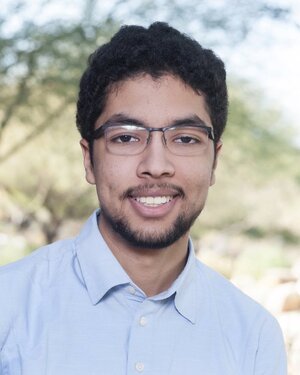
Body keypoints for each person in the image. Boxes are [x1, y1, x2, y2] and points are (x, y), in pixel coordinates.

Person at [0, 22, 287, 375]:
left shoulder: (254, 338)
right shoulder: (8, 307)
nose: (156, 166)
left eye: (185, 138)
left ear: (215, 160)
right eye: (126, 138)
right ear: (89, 160)